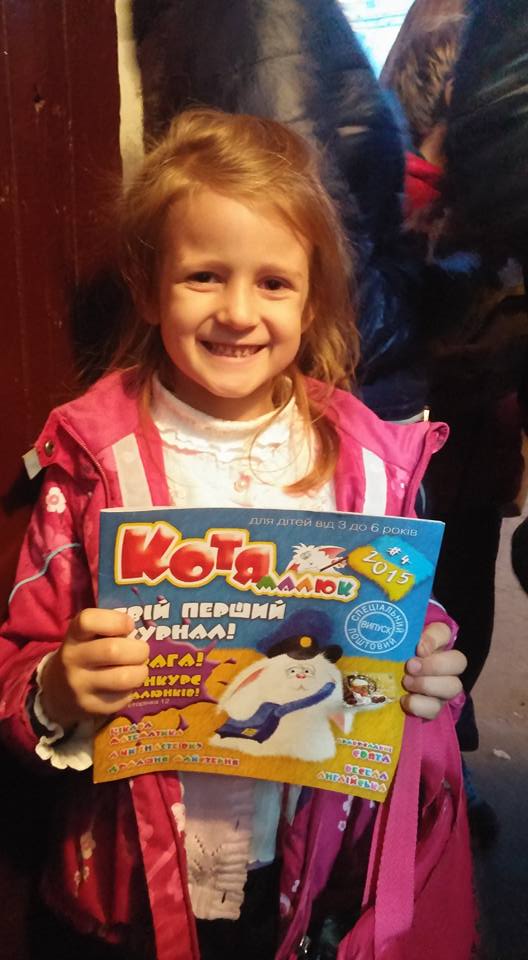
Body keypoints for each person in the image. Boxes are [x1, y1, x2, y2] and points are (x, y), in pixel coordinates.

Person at [0, 108, 470, 960]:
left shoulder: (365, 458)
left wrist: (430, 663)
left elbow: (403, 611)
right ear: (149, 287)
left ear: (313, 299)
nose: (238, 312)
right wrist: (57, 691)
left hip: (298, 871)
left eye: (274, 283)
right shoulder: (94, 462)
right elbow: (21, 656)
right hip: (130, 877)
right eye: (204, 276)